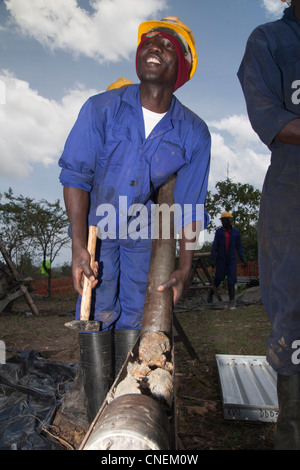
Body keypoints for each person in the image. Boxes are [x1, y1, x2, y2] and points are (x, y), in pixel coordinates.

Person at [58, 16, 211, 422]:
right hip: (96, 232)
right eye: (148, 42)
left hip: (145, 231)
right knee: (96, 308)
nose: (153, 47)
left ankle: (124, 406)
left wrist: (184, 265)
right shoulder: (102, 108)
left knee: (135, 315)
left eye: (166, 45)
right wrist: (77, 246)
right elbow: (75, 175)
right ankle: (91, 403)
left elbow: (190, 206)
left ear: (181, 68)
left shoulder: (194, 132)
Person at [237, 0, 300, 449]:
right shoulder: (269, 41)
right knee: (294, 304)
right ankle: (292, 431)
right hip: (293, 188)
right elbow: (269, 118)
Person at [207, 212, 246, 305]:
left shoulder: (236, 232)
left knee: (231, 278)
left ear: (229, 221)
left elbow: (239, 247)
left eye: (224, 220)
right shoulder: (219, 232)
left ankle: (232, 300)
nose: (223, 222)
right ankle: (210, 295)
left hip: (231, 259)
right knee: (218, 278)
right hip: (221, 259)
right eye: (222, 221)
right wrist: (212, 258)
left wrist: (243, 258)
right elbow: (215, 246)